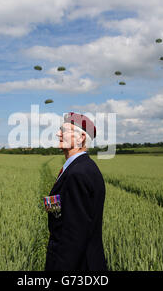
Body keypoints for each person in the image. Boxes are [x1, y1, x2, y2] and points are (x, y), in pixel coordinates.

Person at [44, 112, 108, 271]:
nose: (58, 133)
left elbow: (73, 235)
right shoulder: (81, 168)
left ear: (81, 138)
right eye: (60, 129)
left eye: (64, 131)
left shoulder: (77, 174)